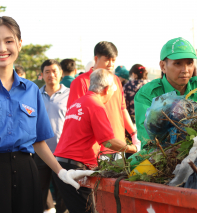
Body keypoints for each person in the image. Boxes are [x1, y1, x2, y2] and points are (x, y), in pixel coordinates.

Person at [0, 16, 93, 213]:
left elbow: (39, 141)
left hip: (27, 173)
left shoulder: (32, 90)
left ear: (19, 44)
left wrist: (61, 172)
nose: (2, 48)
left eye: (8, 41)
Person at [53, 68, 138, 213]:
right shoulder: (96, 105)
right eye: (113, 90)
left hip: (61, 165)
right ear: (106, 89)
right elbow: (108, 142)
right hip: (75, 168)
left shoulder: (79, 103)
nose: (112, 94)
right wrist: (134, 148)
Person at [134, 37, 197, 149]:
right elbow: (148, 139)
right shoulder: (147, 94)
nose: (185, 69)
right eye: (178, 63)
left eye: (189, 63)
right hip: (161, 155)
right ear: (163, 66)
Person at [67, 41, 141, 157]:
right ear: (96, 58)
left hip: (118, 145)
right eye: (107, 59)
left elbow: (122, 109)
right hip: (96, 149)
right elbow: (75, 117)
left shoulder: (116, 80)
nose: (111, 64)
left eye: (113, 60)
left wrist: (133, 133)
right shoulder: (81, 81)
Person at [36, 59, 69, 213]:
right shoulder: (35, 95)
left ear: (61, 73)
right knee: (38, 192)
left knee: (64, 193)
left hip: (63, 152)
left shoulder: (70, 95)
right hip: (39, 152)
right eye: (47, 72)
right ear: (42, 75)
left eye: (54, 71)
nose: (51, 75)